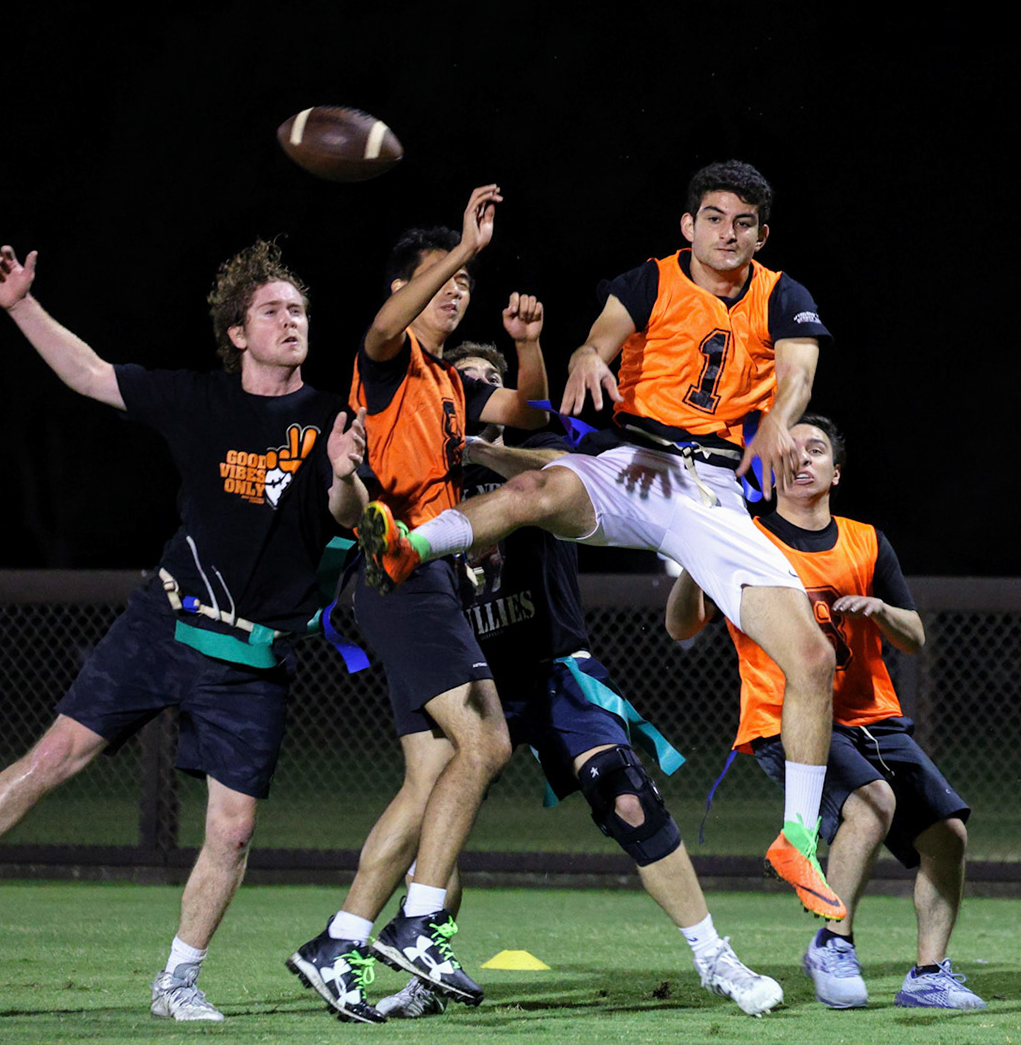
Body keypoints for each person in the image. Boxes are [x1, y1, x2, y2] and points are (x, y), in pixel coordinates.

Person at [0, 242, 369, 1023]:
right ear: (238, 332)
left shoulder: (331, 415)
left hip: (250, 656)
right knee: (57, 753)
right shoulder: (199, 400)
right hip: (166, 622)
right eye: (272, 310)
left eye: (298, 310)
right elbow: (88, 374)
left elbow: (343, 521)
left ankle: (176, 981)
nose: (290, 321)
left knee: (233, 833)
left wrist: (343, 473)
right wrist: (20, 306)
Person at [356, 160, 848, 920]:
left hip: (709, 491)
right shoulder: (652, 279)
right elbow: (604, 336)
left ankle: (796, 839)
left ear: (762, 234)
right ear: (689, 226)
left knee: (813, 660)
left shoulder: (784, 296)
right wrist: (587, 353)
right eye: (714, 218)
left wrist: (781, 416)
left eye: (743, 223)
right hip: (636, 463)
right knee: (536, 487)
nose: (727, 234)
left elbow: (799, 374)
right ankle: (411, 547)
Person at [369, 342, 785, 1020]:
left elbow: (563, 470)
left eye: (488, 383)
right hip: (472, 680)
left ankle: (716, 957)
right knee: (434, 822)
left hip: (555, 668)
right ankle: (423, 970)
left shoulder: (544, 457)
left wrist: (489, 442)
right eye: (463, 384)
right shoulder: (423, 476)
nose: (476, 394)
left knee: (626, 797)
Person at [288, 190, 554, 1022]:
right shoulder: (389, 359)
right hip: (396, 570)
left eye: (463, 284)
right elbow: (379, 324)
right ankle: (423, 922)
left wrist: (528, 345)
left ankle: (339, 943)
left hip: (419, 577)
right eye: (439, 281)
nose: (456, 290)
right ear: (409, 286)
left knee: (432, 775)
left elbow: (534, 413)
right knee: (487, 740)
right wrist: (463, 249)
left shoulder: (447, 383)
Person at [664, 413, 986, 1011]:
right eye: (791, 448)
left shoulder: (865, 541)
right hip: (782, 719)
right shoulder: (744, 536)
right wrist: (693, 554)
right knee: (872, 805)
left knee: (947, 835)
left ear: (835, 473)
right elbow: (681, 627)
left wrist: (882, 613)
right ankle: (832, 944)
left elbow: (914, 634)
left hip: (872, 717)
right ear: (771, 466)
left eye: (816, 450)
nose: (802, 457)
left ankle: (929, 974)